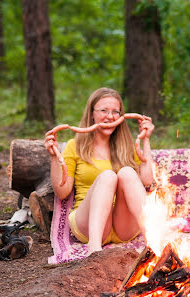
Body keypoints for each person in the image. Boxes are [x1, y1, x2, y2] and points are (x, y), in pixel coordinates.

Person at [44, 87, 155, 255]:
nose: (109, 117)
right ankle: (94, 250)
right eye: (103, 110)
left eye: (115, 112)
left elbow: (147, 180)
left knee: (126, 173)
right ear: (91, 114)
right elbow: (62, 192)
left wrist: (145, 139)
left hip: (123, 228)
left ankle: (155, 242)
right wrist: (53, 157)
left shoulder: (128, 147)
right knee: (108, 176)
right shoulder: (74, 147)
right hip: (88, 225)